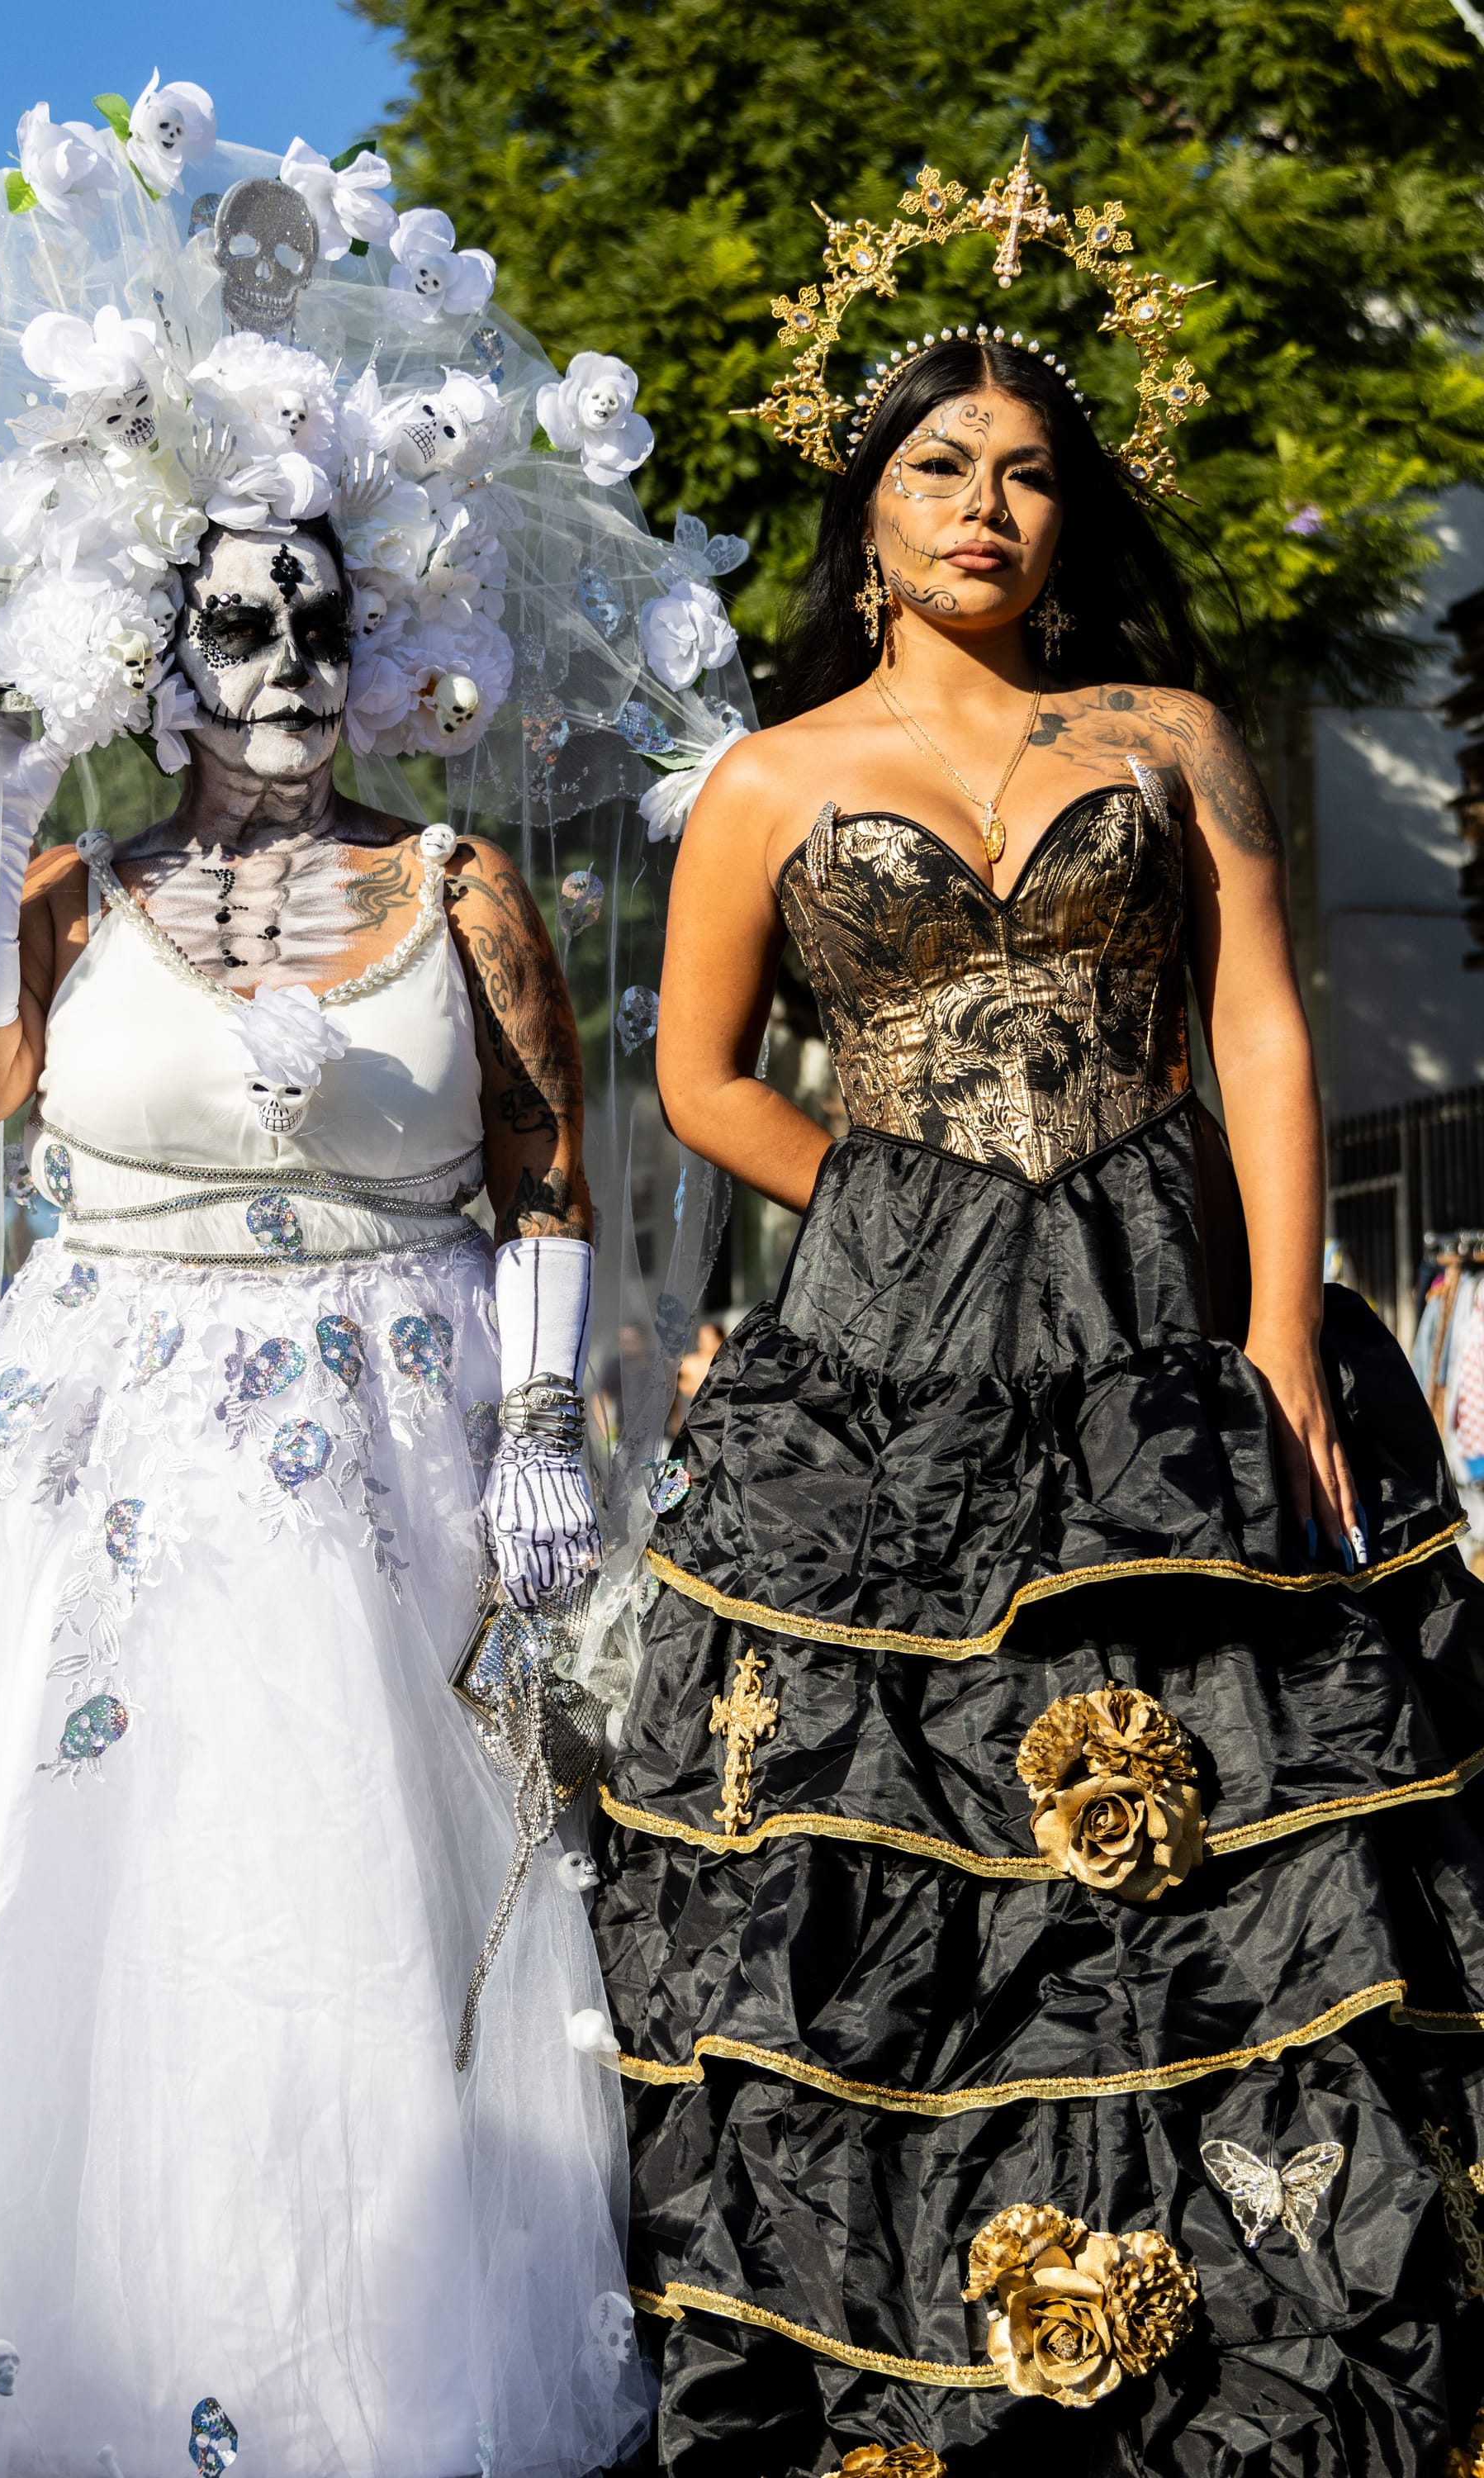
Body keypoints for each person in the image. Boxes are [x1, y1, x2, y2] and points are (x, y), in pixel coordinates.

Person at [0, 93, 756, 2478]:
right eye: (229, 621)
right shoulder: (62, 901)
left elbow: (549, 1164)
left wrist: (550, 1429)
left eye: (314, 619)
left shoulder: (458, 884)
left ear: (378, 643)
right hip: (105, 1465)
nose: (277, 659)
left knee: (353, 1926)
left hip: (396, 1458)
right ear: (157, 650)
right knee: (114, 1921)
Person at [591, 149, 1484, 2476]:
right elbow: (700, 1080)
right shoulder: (767, 785)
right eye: (937, 468)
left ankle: (1238, 2359)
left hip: (1178, 1367)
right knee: (891, 1858)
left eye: (1026, 475)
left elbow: (1266, 1037)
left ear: (1067, 517)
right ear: (865, 512)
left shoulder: (1172, 740)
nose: (986, 507)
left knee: (1244, 1855)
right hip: (872, 1392)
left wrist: (1286, 1337)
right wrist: (896, 1209)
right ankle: (931, 2353)